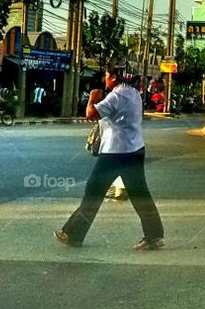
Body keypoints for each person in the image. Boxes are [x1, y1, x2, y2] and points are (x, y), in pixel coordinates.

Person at [55, 65, 164, 250]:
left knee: (93, 191)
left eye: (106, 75)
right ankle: (154, 236)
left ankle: (73, 234)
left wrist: (93, 97)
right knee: (139, 193)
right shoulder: (134, 93)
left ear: (114, 77)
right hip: (134, 149)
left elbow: (91, 114)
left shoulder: (116, 96)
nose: (105, 79)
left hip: (115, 152)